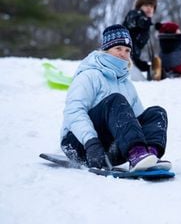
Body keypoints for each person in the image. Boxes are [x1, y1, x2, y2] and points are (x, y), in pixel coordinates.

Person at [60, 24, 168, 171]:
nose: (123, 54)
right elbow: (74, 111)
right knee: (114, 100)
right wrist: (91, 142)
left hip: (112, 147)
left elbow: (135, 121)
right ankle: (136, 153)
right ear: (106, 49)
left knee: (156, 113)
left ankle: (148, 156)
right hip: (81, 144)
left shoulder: (127, 84)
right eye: (118, 48)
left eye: (127, 50)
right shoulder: (90, 75)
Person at [123, 0, 162, 81]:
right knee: (140, 82)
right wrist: (140, 21)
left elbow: (134, 53)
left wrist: (144, 66)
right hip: (121, 58)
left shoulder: (146, 25)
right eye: (146, 5)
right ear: (140, 6)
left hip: (131, 59)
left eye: (152, 6)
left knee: (145, 78)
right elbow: (132, 20)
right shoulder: (134, 14)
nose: (149, 8)